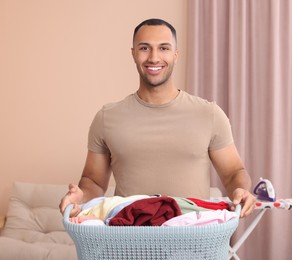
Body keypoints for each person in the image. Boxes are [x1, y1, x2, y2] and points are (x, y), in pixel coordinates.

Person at [59, 18, 256, 218]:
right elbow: (94, 182)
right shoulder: (106, 118)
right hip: (129, 238)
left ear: (175, 54)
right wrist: (80, 197)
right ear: (133, 54)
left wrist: (241, 190)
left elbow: (233, 173)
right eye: (145, 48)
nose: (154, 57)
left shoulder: (210, 114)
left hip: (192, 238)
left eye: (163, 48)